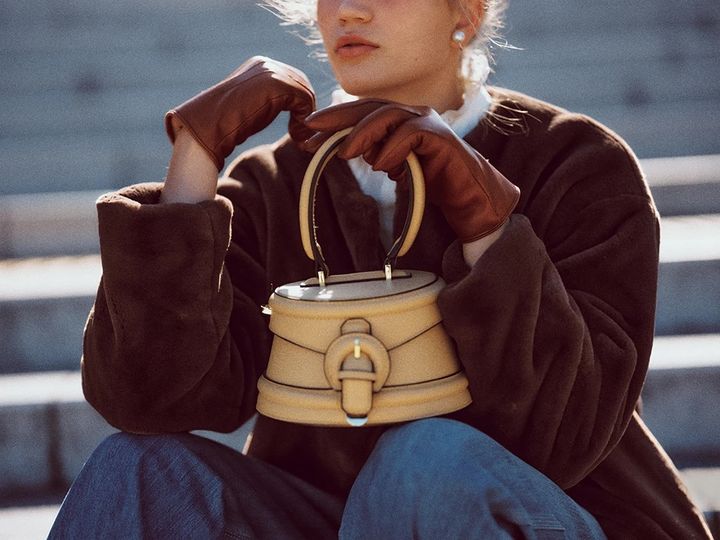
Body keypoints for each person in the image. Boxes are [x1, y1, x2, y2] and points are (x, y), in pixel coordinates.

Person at [49, 0, 712, 538]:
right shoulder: (273, 185)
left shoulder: (577, 161)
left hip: (554, 513)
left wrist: (487, 225)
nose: (349, 10)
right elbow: (147, 399)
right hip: (328, 517)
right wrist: (194, 161)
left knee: (423, 462)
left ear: (467, 13)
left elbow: (566, 434)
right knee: (135, 468)